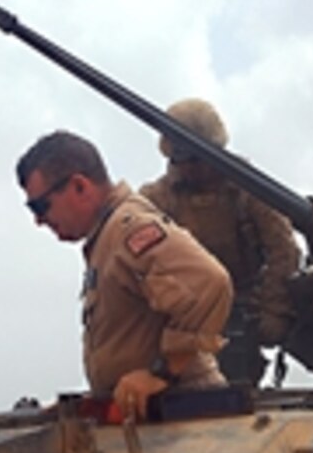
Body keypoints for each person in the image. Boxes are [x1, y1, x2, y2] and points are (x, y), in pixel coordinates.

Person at [15, 130, 233, 419]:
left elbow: (209, 282)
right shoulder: (106, 237)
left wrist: (162, 373)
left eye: (41, 206)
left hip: (181, 415)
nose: (39, 220)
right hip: (151, 419)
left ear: (79, 186)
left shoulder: (128, 228)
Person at [139, 98, 301, 385]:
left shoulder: (249, 187)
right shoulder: (157, 201)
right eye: (180, 159)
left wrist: (274, 310)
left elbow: (283, 250)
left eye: (196, 158)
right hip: (184, 321)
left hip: (243, 313)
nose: (189, 168)